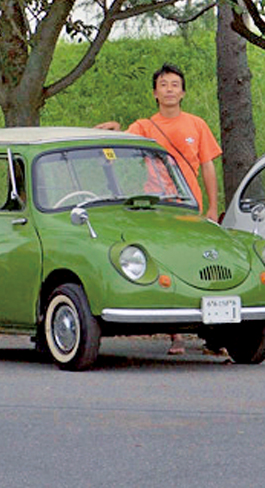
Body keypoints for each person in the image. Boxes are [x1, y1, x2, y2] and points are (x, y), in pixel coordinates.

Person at [96, 63, 222, 357]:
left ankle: (213, 334)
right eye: (163, 85)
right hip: (157, 208)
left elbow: (207, 167)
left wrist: (213, 207)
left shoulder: (197, 125)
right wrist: (112, 129)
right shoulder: (144, 127)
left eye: (175, 85)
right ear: (155, 93)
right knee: (166, 265)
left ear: (183, 92)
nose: (169, 90)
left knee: (201, 263)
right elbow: (122, 144)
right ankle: (175, 334)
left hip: (190, 207)